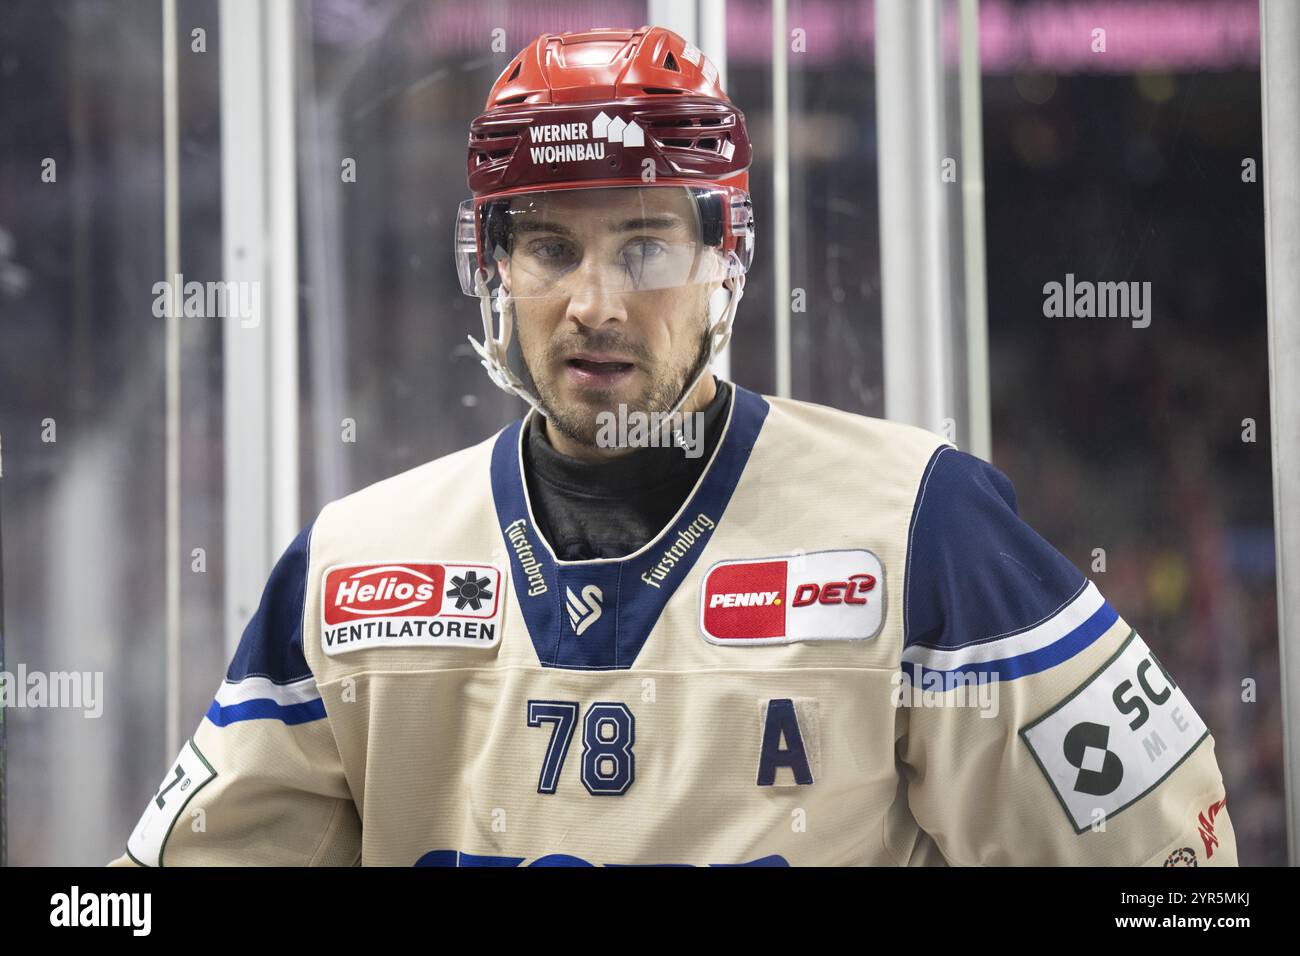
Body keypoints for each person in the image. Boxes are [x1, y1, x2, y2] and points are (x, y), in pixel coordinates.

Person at [112, 25, 1236, 867]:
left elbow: (1164, 871)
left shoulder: (922, 528)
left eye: (645, 248)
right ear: (492, 267)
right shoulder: (349, 564)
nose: (594, 302)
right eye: (550, 247)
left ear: (722, 262)